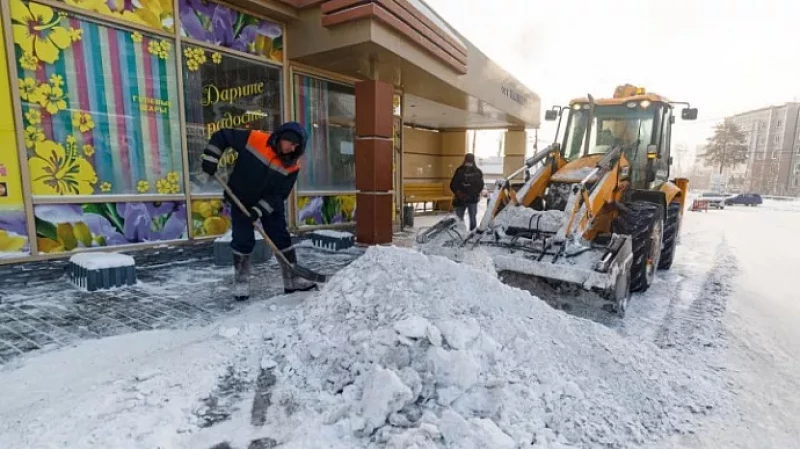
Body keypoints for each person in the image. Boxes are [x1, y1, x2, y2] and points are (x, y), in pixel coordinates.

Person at [201, 122, 317, 301]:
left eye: (296, 147)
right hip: (241, 199)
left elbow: (280, 194)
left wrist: (259, 210)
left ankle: (291, 279)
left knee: (281, 238)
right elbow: (222, 136)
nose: (291, 149)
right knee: (242, 239)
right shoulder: (255, 139)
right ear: (282, 137)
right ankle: (241, 281)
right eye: (290, 143)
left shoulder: (292, 165)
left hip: (269, 205)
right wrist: (211, 157)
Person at [449, 153, 484, 231]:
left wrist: (462, 193)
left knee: (468, 218)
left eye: (470, 160)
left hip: (468, 198)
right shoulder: (461, 170)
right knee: (461, 218)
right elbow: (453, 184)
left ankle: (468, 233)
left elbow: (480, 186)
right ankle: (462, 232)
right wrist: (459, 193)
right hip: (463, 198)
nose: (469, 162)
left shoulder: (476, 172)